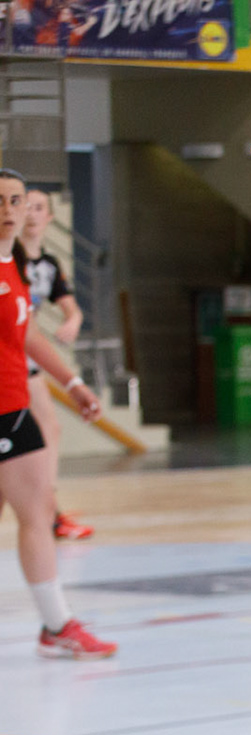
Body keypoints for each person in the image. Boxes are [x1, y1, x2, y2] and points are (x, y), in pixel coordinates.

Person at [0, 170, 114, 659]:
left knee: (38, 511)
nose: (8, 210)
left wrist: (72, 383)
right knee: (36, 511)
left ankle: (56, 625)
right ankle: (57, 625)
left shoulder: (15, 266)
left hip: (12, 407)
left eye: (16, 201)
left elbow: (25, 335)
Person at [19, 189, 86, 542]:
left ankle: (49, 510)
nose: (30, 213)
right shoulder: (8, 258)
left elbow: (70, 307)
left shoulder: (48, 265)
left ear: (50, 217)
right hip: (13, 354)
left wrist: (72, 320)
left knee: (49, 428)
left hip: (22, 355)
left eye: (38, 207)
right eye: (22, 205)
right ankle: (47, 512)